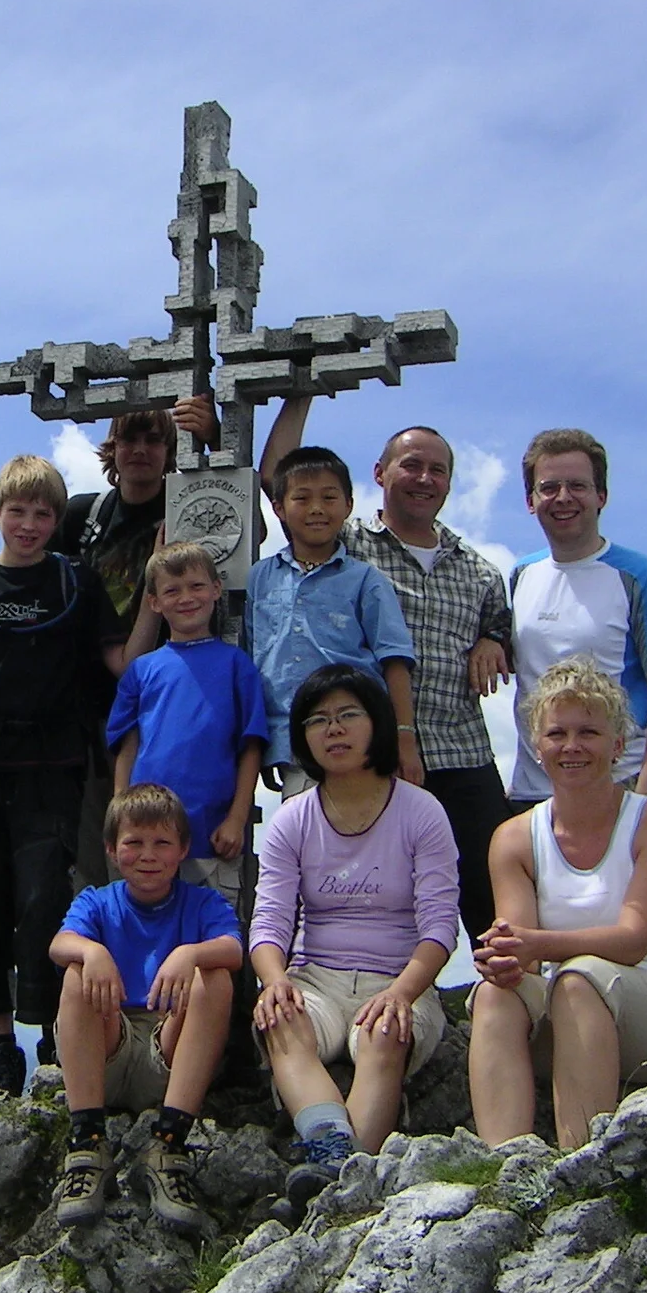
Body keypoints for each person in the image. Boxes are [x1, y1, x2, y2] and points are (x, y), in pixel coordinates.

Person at [0, 455, 150, 1096]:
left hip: (53, 769)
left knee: (46, 898)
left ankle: (49, 1032)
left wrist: (153, 598)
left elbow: (119, 661)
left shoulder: (75, 584)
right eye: (18, 511)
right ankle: (0, 1046)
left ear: (56, 520)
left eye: (44, 512)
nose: (30, 523)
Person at [260, 402, 514, 945]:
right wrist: (302, 390)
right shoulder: (350, 543)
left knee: (490, 890)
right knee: (368, 887)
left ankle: (508, 1001)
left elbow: (506, 630)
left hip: (460, 747)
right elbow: (281, 477)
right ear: (379, 475)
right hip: (373, 752)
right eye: (410, 465)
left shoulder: (481, 570)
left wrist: (493, 640)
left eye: (437, 469)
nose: (424, 478)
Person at [467, 657, 647, 1151]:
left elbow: (633, 938)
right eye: (557, 733)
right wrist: (504, 954)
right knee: (496, 993)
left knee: (580, 979)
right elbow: (524, 957)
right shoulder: (514, 839)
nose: (572, 746)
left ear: (618, 745)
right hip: (569, 1018)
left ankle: (579, 1163)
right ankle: (505, 1165)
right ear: (538, 748)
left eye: (589, 732)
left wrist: (537, 943)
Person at [250, 665, 460, 1215]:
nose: (334, 730)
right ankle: (332, 1149)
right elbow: (269, 921)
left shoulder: (422, 812)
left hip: (399, 979)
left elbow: (440, 925)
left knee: (385, 1034)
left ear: (377, 725)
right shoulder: (292, 819)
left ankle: (343, 1184)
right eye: (318, 720)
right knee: (280, 1018)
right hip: (315, 977)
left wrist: (403, 993)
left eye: (348, 715)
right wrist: (274, 981)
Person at [49, 784, 243, 1235]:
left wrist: (189, 954)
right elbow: (60, 944)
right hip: (108, 1050)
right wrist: (93, 952)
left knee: (214, 977)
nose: (148, 855)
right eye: (134, 843)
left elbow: (233, 950)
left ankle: (168, 1143)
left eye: (162, 843)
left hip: (167, 1050)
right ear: (112, 851)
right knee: (77, 972)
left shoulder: (203, 902)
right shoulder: (97, 901)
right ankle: (87, 1145)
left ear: (183, 850)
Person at [59, 401, 219, 892]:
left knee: (160, 846)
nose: (140, 451)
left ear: (170, 449)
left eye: (154, 440)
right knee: (92, 850)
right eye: (130, 440)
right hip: (83, 707)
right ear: (113, 447)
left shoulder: (186, 506)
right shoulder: (81, 515)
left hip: (164, 709)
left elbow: (239, 519)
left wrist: (213, 441)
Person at [509, 428, 647, 805]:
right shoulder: (521, 575)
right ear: (531, 500)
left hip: (619, 787)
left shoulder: (642, 578)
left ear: (601, 496)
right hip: (533, 793)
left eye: (577, 486)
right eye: (549, 487)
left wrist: (646, 800)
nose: (563, 498)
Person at [106, 540, 268, 909]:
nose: (186, 598)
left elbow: (251, 746)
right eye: (172, 591)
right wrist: (120, 814)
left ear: (216, 589)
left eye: (196, 586)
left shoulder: (237, 665)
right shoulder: (142, 670)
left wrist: (237, 818)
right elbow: (126, 745)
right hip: (146, 835)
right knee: (145, 933)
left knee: (214, 937)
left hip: (212, 833)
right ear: (155, 602)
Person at [247, 446, 417, 799]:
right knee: (308, 840)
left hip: (359, 740)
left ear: (348, 505)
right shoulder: (259, 578)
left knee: (364, 841)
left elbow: (395, 659)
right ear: (278, 507)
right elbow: (251, 659)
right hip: (292, 742)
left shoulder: (365, 580)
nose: (317, 509)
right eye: (302, 498)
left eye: (329, 497)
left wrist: (404, 736)